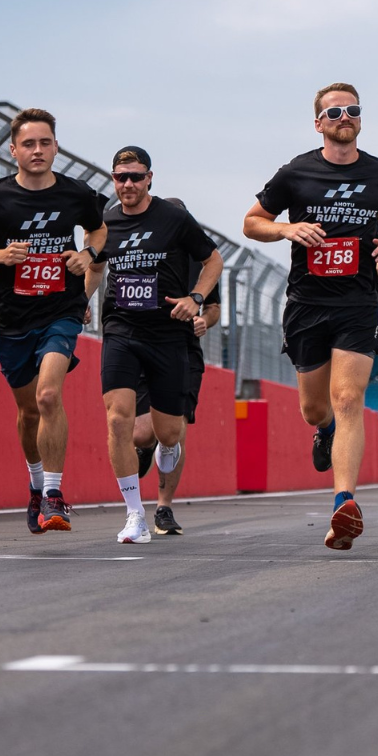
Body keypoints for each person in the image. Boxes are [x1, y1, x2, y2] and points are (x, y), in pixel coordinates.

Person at [243, 83, 378, 551]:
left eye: (352, 110)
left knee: (348, 397)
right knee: (316, 407)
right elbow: (251, 222)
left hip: (357, 301)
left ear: (360, 119)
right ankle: (324, 431)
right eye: (334, 111)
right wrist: (286, 228)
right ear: (318, 123)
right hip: (306, 304)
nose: (344, 116)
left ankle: (344, 503)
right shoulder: (296, 172)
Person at [0, 107, 107, 534]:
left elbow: (97, 231)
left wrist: (87, 255)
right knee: (27, 413)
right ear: (13, 150)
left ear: (56, 147)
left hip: (61, 309)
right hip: (11, 317)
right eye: (28, 144)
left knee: (47, 396)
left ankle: (55, 495)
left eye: (44, 143)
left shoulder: (76, 193)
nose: (37, 150)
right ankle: (37, 486)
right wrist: (0, 255)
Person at [86, 147, 223, 544]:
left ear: (150, 178)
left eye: (135, 176)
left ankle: (168, 450)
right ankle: (135, 515)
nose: (127, 184)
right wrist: (81, 301)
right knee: (118, 419)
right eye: (120, 177)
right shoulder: (105, 221)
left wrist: (195, 299)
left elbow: (213, 261)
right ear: (113, 180)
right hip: (121, 330)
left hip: (168, 335)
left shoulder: (174, 219)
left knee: (168, 433)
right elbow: (96, 267)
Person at [130, 199, 223, 536]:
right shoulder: (140, 249)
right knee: (142, 431)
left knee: (176, 430)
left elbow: (214, 309)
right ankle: (144, 445)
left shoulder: (202, 258)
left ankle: (164, 508)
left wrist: (203, 322)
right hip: (141, 343)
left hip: (183, 350)